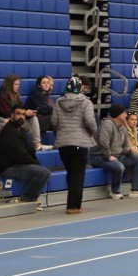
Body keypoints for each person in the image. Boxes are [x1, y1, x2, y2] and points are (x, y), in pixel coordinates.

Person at [52, 76, 96, 214]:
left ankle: (71, 202)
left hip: (63, 144)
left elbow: (54, 122)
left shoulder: (58, 101)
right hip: (80, 143)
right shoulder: (86, 102)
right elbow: (90, 121)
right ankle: (73, 206)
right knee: (77, 175)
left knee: (71, 173)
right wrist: (93, 131)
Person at [0, 104, 50, 211]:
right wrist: (35, 164)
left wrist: (35, 163)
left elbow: (30, 151)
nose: (21, 117)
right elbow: (19, 156)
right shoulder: (8, 132)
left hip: (19, 164)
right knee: (43, 173)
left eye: (23, 114)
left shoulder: (22, 130)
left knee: (41, 170)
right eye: (18, 114)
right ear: (12, 115)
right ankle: (26, 199)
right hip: (8, 168)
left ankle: (31, 198)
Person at [90, 104, 138, 200]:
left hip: (117, 155)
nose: (126, 115)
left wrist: (129, 150)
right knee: (119, 166)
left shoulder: (122, 127)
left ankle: (136, 189)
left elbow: (125, 146)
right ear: (118, 115)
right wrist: (108, 156)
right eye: (124, 113)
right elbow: (103, 142)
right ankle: (115, 191)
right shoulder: (107, 124)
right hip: (99, 156)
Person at [0, 74, 47, 149]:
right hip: (4, 123)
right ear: (9, 84)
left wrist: (27, 112)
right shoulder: (1, 96)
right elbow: (7, 113)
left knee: (33, 118)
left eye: (18, 84)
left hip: (15, 121)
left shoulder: (16, 95)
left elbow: (21, 108)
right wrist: (25, 113)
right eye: (16, 84)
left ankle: (37, 144)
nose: (18, 86)